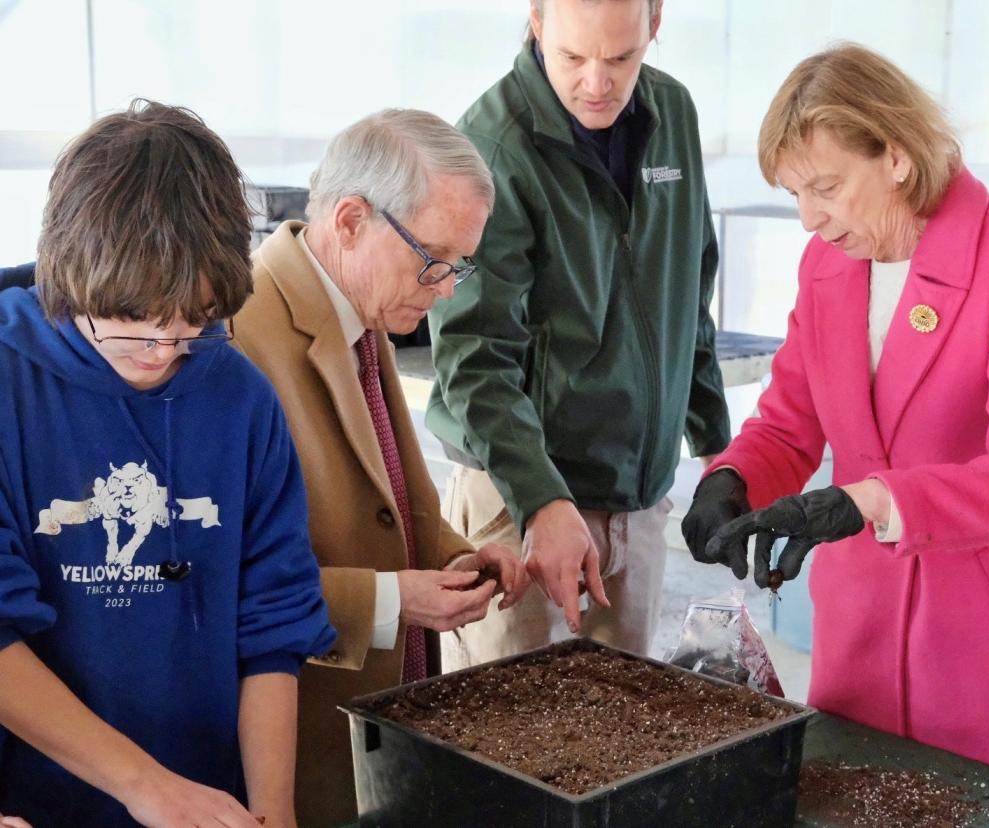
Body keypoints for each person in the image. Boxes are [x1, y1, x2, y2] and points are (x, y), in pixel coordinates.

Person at [682, 44, 989, 797]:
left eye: (827, 189)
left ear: (898, 157)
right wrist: (732, 479)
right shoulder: (827, 266)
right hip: (863, 627)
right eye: (795, 194)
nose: (809, 219)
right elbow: (788, 424)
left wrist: (874, 500)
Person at [0, 100, 335, 826]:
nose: (161, 357)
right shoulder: (9, 383)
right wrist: (145, 786)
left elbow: (272, 626)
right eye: (133, 336)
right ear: (73, 282)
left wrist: (270, 813)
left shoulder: (241, 396)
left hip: (207, 800)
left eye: (192, 329)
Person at [232, 108, 528, 826]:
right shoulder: (236, 333)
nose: (447, 287)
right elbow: (221, 584)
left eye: (460, 263)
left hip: (382, 718)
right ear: (352, 219)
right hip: (295, 743)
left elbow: (387, 494)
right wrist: (394, 603)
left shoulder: (360, 305)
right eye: (434, 258)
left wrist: (456, 558)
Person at [427, 0, 730, 670]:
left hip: (637, 489)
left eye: (620, 58)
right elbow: (474, 356)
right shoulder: (493, 145)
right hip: (521, 494)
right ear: (536, 22)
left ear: (655, 25)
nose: (597, 82)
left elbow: (690, 282)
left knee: (622, 729)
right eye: (573, 58)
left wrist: (718, 448)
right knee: (504, 737)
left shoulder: (672, 114)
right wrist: (541, 501)